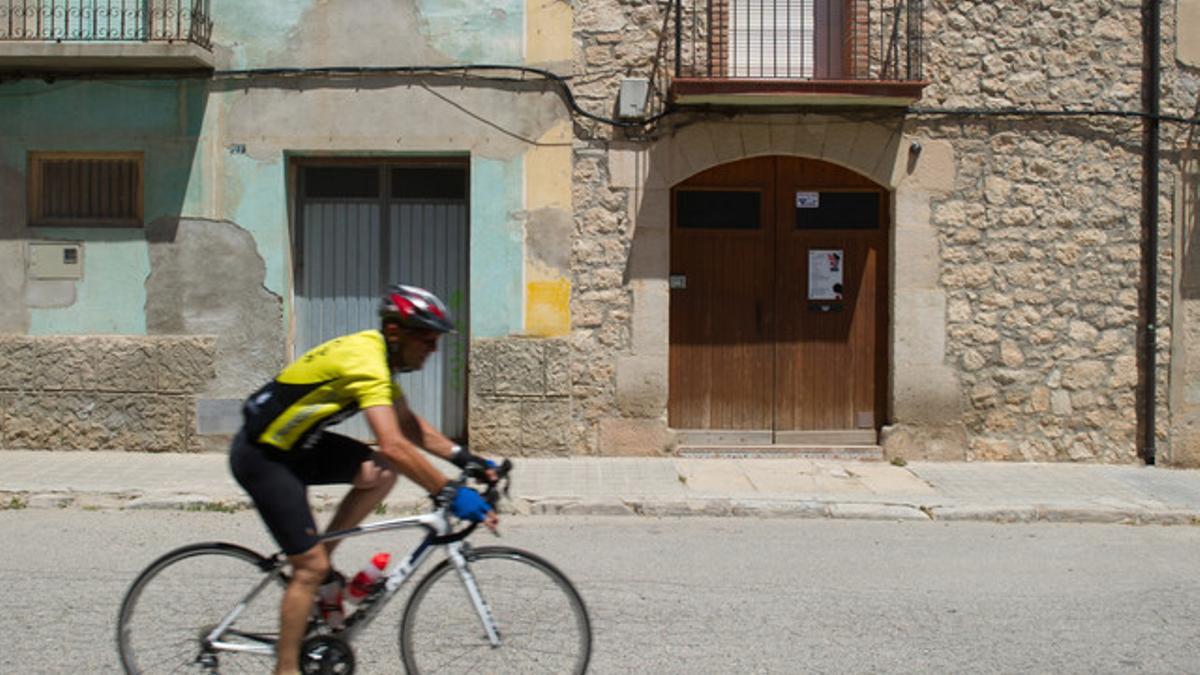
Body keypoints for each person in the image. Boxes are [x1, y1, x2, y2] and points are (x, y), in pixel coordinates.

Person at [229, 283, 498, 675]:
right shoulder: (366, 361)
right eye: (426, 339)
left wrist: (466, 459)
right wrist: (449, 491)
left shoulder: (379, 359)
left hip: (299, 447)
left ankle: (325, 573)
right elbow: (393, 443)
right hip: (264, 457)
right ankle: (286, 665)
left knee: (380, 474)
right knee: (307, 567)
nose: (433, 350)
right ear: (395, 332)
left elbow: (407, 425)